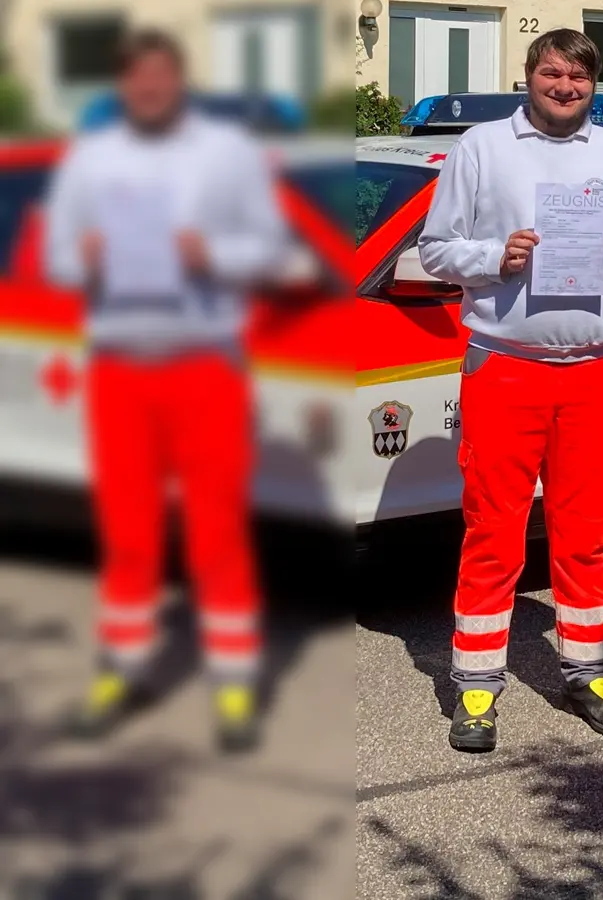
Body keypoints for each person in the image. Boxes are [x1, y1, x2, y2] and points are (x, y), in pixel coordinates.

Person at [419, 28, 603, 752]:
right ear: (529, 74)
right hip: (505, 363)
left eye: (579, 77)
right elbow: (435, 249)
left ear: (594, 85)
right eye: (552, 73)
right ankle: (474, 684)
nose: (565, 86)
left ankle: (588, 671)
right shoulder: (481, 148)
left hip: (594, 368)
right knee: (493, 531)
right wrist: (498, 255)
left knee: (585, 533)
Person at [43, 29, 287, 752]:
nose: (148, 89)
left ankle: (236, 683)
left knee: (216, 530)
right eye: (135, 79)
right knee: (127, 531)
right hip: (119, 368)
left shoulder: (227, 155)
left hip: (204, 365)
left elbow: (269, 250)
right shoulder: (92, 158)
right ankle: (124, 669)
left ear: (179, 80)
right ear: (122, 87)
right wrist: (80, 258)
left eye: (161, 76)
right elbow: (56, 259)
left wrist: (210, 253)